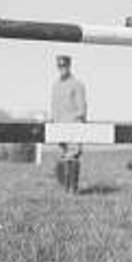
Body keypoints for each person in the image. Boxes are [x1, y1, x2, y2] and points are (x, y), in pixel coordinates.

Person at [49, 54, 87, 193]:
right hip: (59, 127)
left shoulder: (77, 84)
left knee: (73, 156)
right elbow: (54, 107)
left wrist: (75, 124)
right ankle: (66, 189)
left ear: (69, 66)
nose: (62, 69)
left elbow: (82, 109)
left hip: (74, 126)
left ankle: (73, 189)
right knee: (64, 156)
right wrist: (54, 122)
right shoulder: (55, 85)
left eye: (64, 66)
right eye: (59, 66)